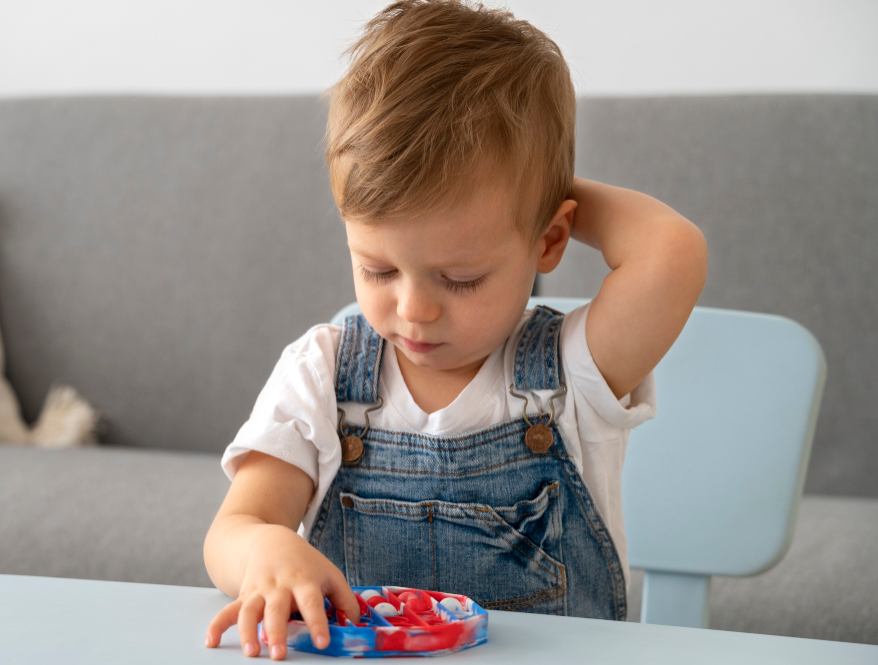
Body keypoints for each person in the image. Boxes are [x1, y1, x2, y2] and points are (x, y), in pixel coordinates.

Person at [204, 0, 707, 659]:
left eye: (461, 277)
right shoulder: (322, 374)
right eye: (378, 268)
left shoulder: (572, 373)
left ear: (551, 238)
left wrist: (527, 189)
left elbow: (672, 252)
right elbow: (234, 528)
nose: (414, 309)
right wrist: (268, 547)